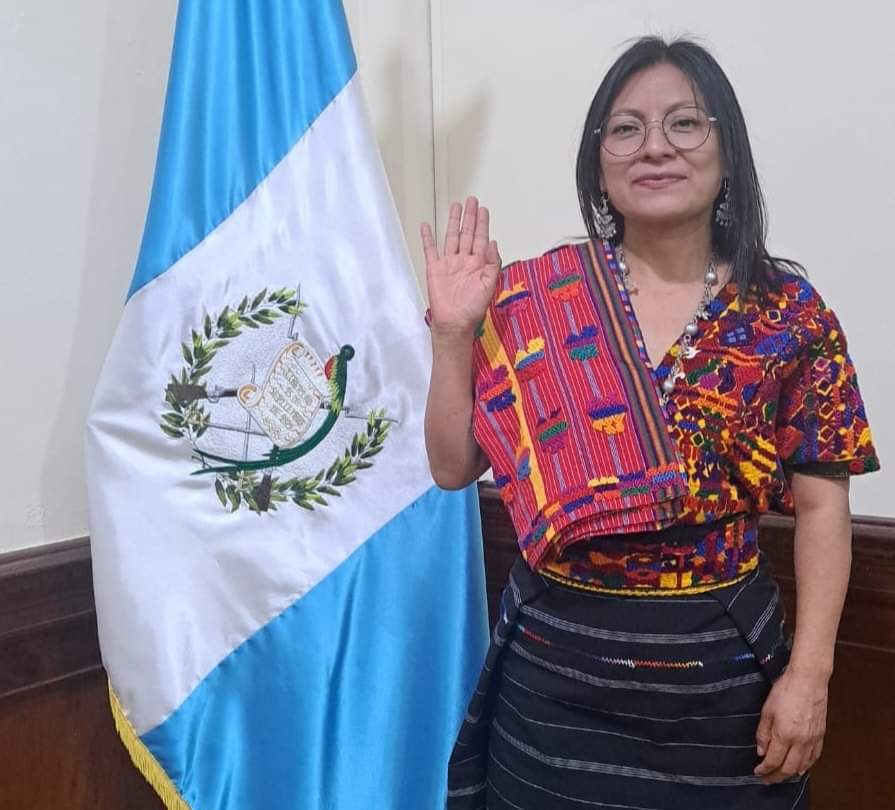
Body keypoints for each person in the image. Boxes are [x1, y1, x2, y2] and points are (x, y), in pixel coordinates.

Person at [420, 36, 880, 809]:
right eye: (625, 128)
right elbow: (450, 467)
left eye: (684, 124)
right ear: (598, 160)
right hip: (555, 675)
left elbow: (822, 509)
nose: (654, 147)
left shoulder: (786, 316)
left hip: (719, 682)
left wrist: (809, 676)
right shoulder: (539, 301)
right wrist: (451, 334)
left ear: (726, 152)